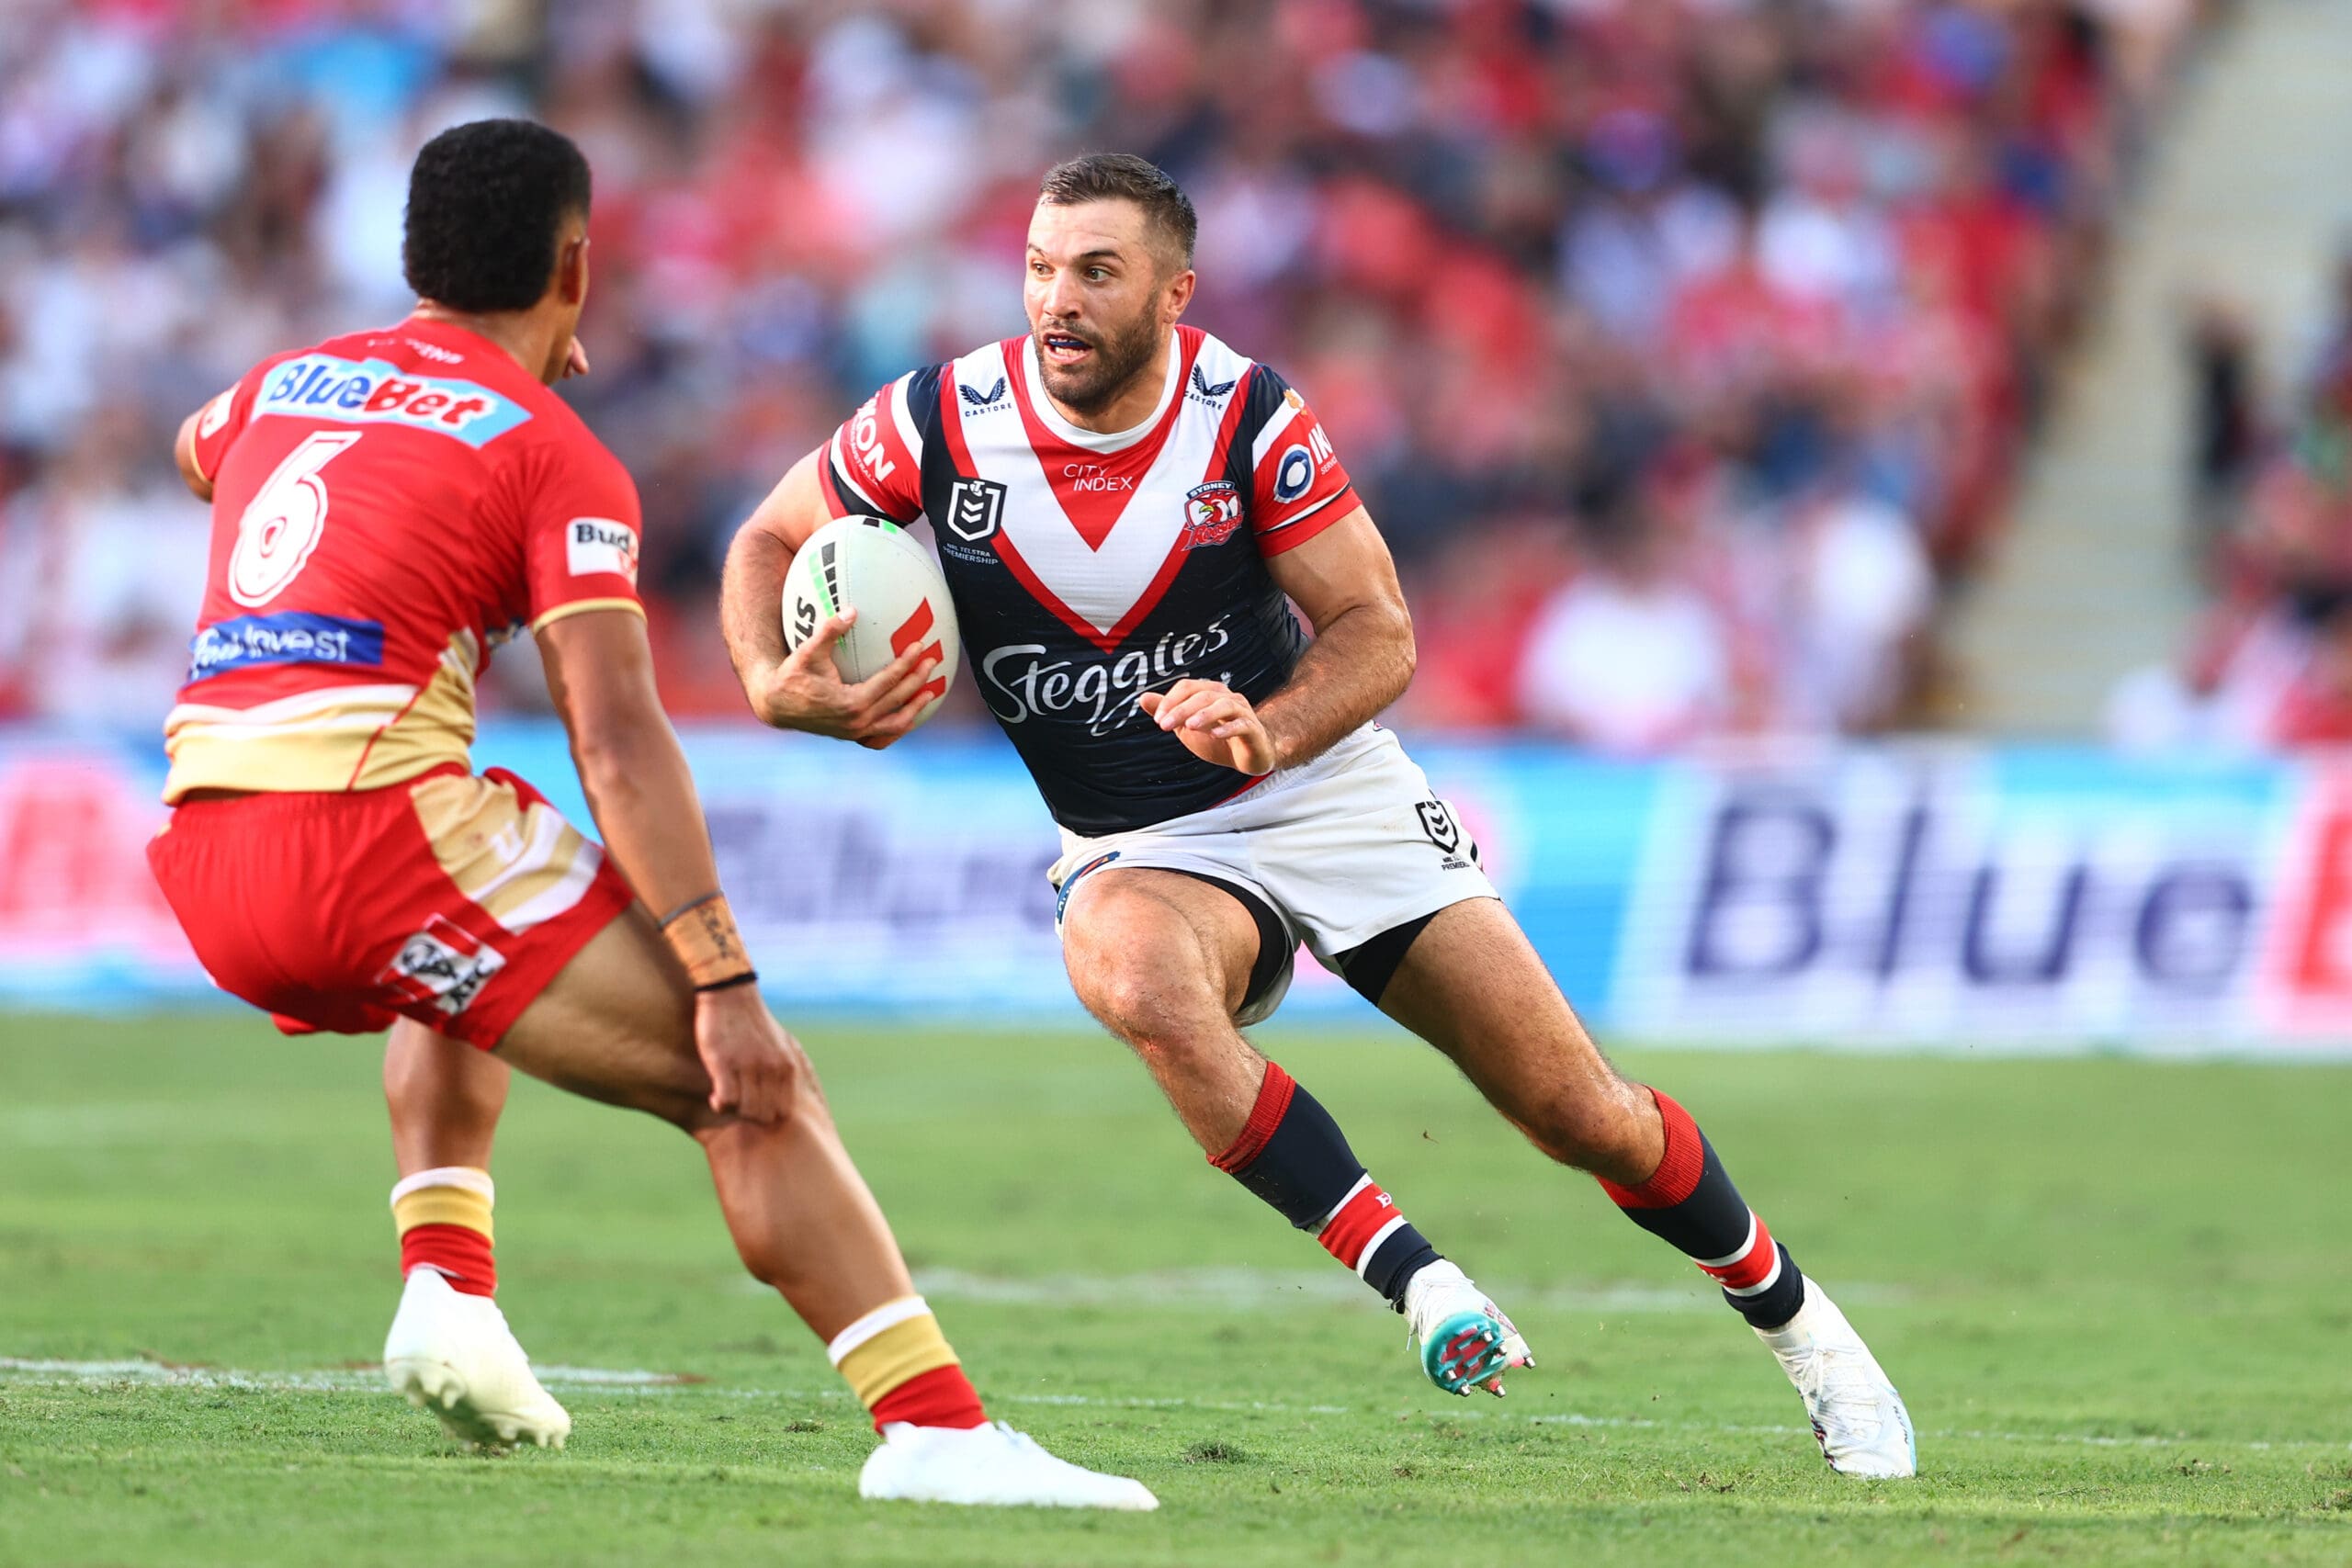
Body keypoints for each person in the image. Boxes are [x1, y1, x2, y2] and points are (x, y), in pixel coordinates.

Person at [400, 152, 1917, 1478]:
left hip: (1324, 794)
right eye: (1040, 268)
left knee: (1579, 1114)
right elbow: (766, 539)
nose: (1057, 301)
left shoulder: (1250, 420)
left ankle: (1809, 1334)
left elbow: (1379, 631)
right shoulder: (934, 423)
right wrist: (764, 677)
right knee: (1129, 971)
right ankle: (1421, 1283)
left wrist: (1273, 725)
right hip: (1142, 843)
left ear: (1174, 294)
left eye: (1097, 273)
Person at [145, 118, 1154, 1511]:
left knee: (487, 883)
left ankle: (448, 1286)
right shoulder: (550, 452)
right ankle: (936, 1432)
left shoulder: (274, 387)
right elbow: (615, 738)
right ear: (574, 265)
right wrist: (723, 982)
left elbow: (198, 451)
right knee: (751, 1088)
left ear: (416, 258)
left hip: (205, 852)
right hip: (371, 839)